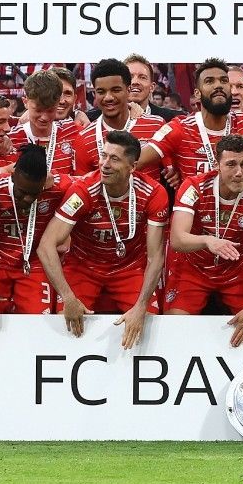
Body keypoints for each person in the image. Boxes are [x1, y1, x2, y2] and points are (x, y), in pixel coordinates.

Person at [39, 130, 168, 347]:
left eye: (114, 158)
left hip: (129, 269)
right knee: (67, 328)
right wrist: (68, 297)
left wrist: (141, 305)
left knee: (149, 325)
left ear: (133, 167)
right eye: (103, 155)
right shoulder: (83, 190)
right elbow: (46, 246)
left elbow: (156, 257)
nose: (105, 164)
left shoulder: (153, 193)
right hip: (84, 268)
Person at [164, 136, 243, 347]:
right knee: (175, 330)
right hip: (193, 268)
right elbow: (177, 239)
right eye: (231, 164)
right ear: (217, 165)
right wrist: (208, 241)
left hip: (240, 269)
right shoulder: (194, 187)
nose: (239, 172)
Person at [0, 144, 78, 318]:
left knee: (39, 325)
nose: (27, 199)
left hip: (34, 265)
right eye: (22, 192)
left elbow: (89, 183)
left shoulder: (58, 188)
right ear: (13, 176)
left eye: (34, 193)